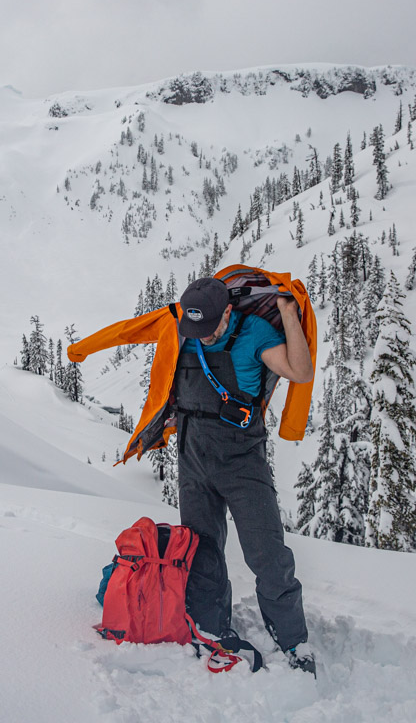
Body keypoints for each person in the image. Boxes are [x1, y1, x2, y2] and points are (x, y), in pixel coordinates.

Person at [172, 276, 316, 676]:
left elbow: (299, 372)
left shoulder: (255, 334)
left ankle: (291, 639)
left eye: (209, 328)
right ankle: (209, 626)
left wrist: (289, 313)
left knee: (267, 553)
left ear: (229, 312)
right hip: (192, 454)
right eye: (194, 329)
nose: (201, 337)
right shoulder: (187, 331)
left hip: (241, 457)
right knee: (201, 548)